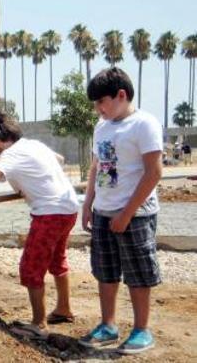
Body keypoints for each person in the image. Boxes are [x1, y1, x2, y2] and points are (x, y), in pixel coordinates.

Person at [0, 112, 79, 340]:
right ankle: (64, 308)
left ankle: (39, 324)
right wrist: (28, 181)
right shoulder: (33, 145)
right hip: (68, 209)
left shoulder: (12, 154)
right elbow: (58, 159)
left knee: (30, 268)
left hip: (49, 213)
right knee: (57, 260)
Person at [79, 68, 162, 354]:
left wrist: (126, 213)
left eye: (102, 102)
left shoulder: (144, 124)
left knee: (139, 273)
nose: (99, 109)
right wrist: (88, 204)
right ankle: (108, 325)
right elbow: (95, 168)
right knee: (106, 271)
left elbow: (153, 173)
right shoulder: (102, 126)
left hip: (135, 214)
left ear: (121, 95)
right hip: (103, 211)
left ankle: (142, 330)